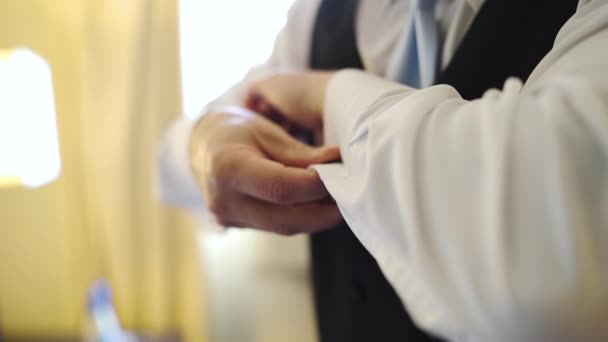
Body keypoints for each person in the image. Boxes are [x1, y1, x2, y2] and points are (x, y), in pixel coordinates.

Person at [159, 0, 608, 341]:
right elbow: (172, 162)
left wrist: (332, 96)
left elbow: (551, 258)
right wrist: (204, 143)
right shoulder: (318, 15)